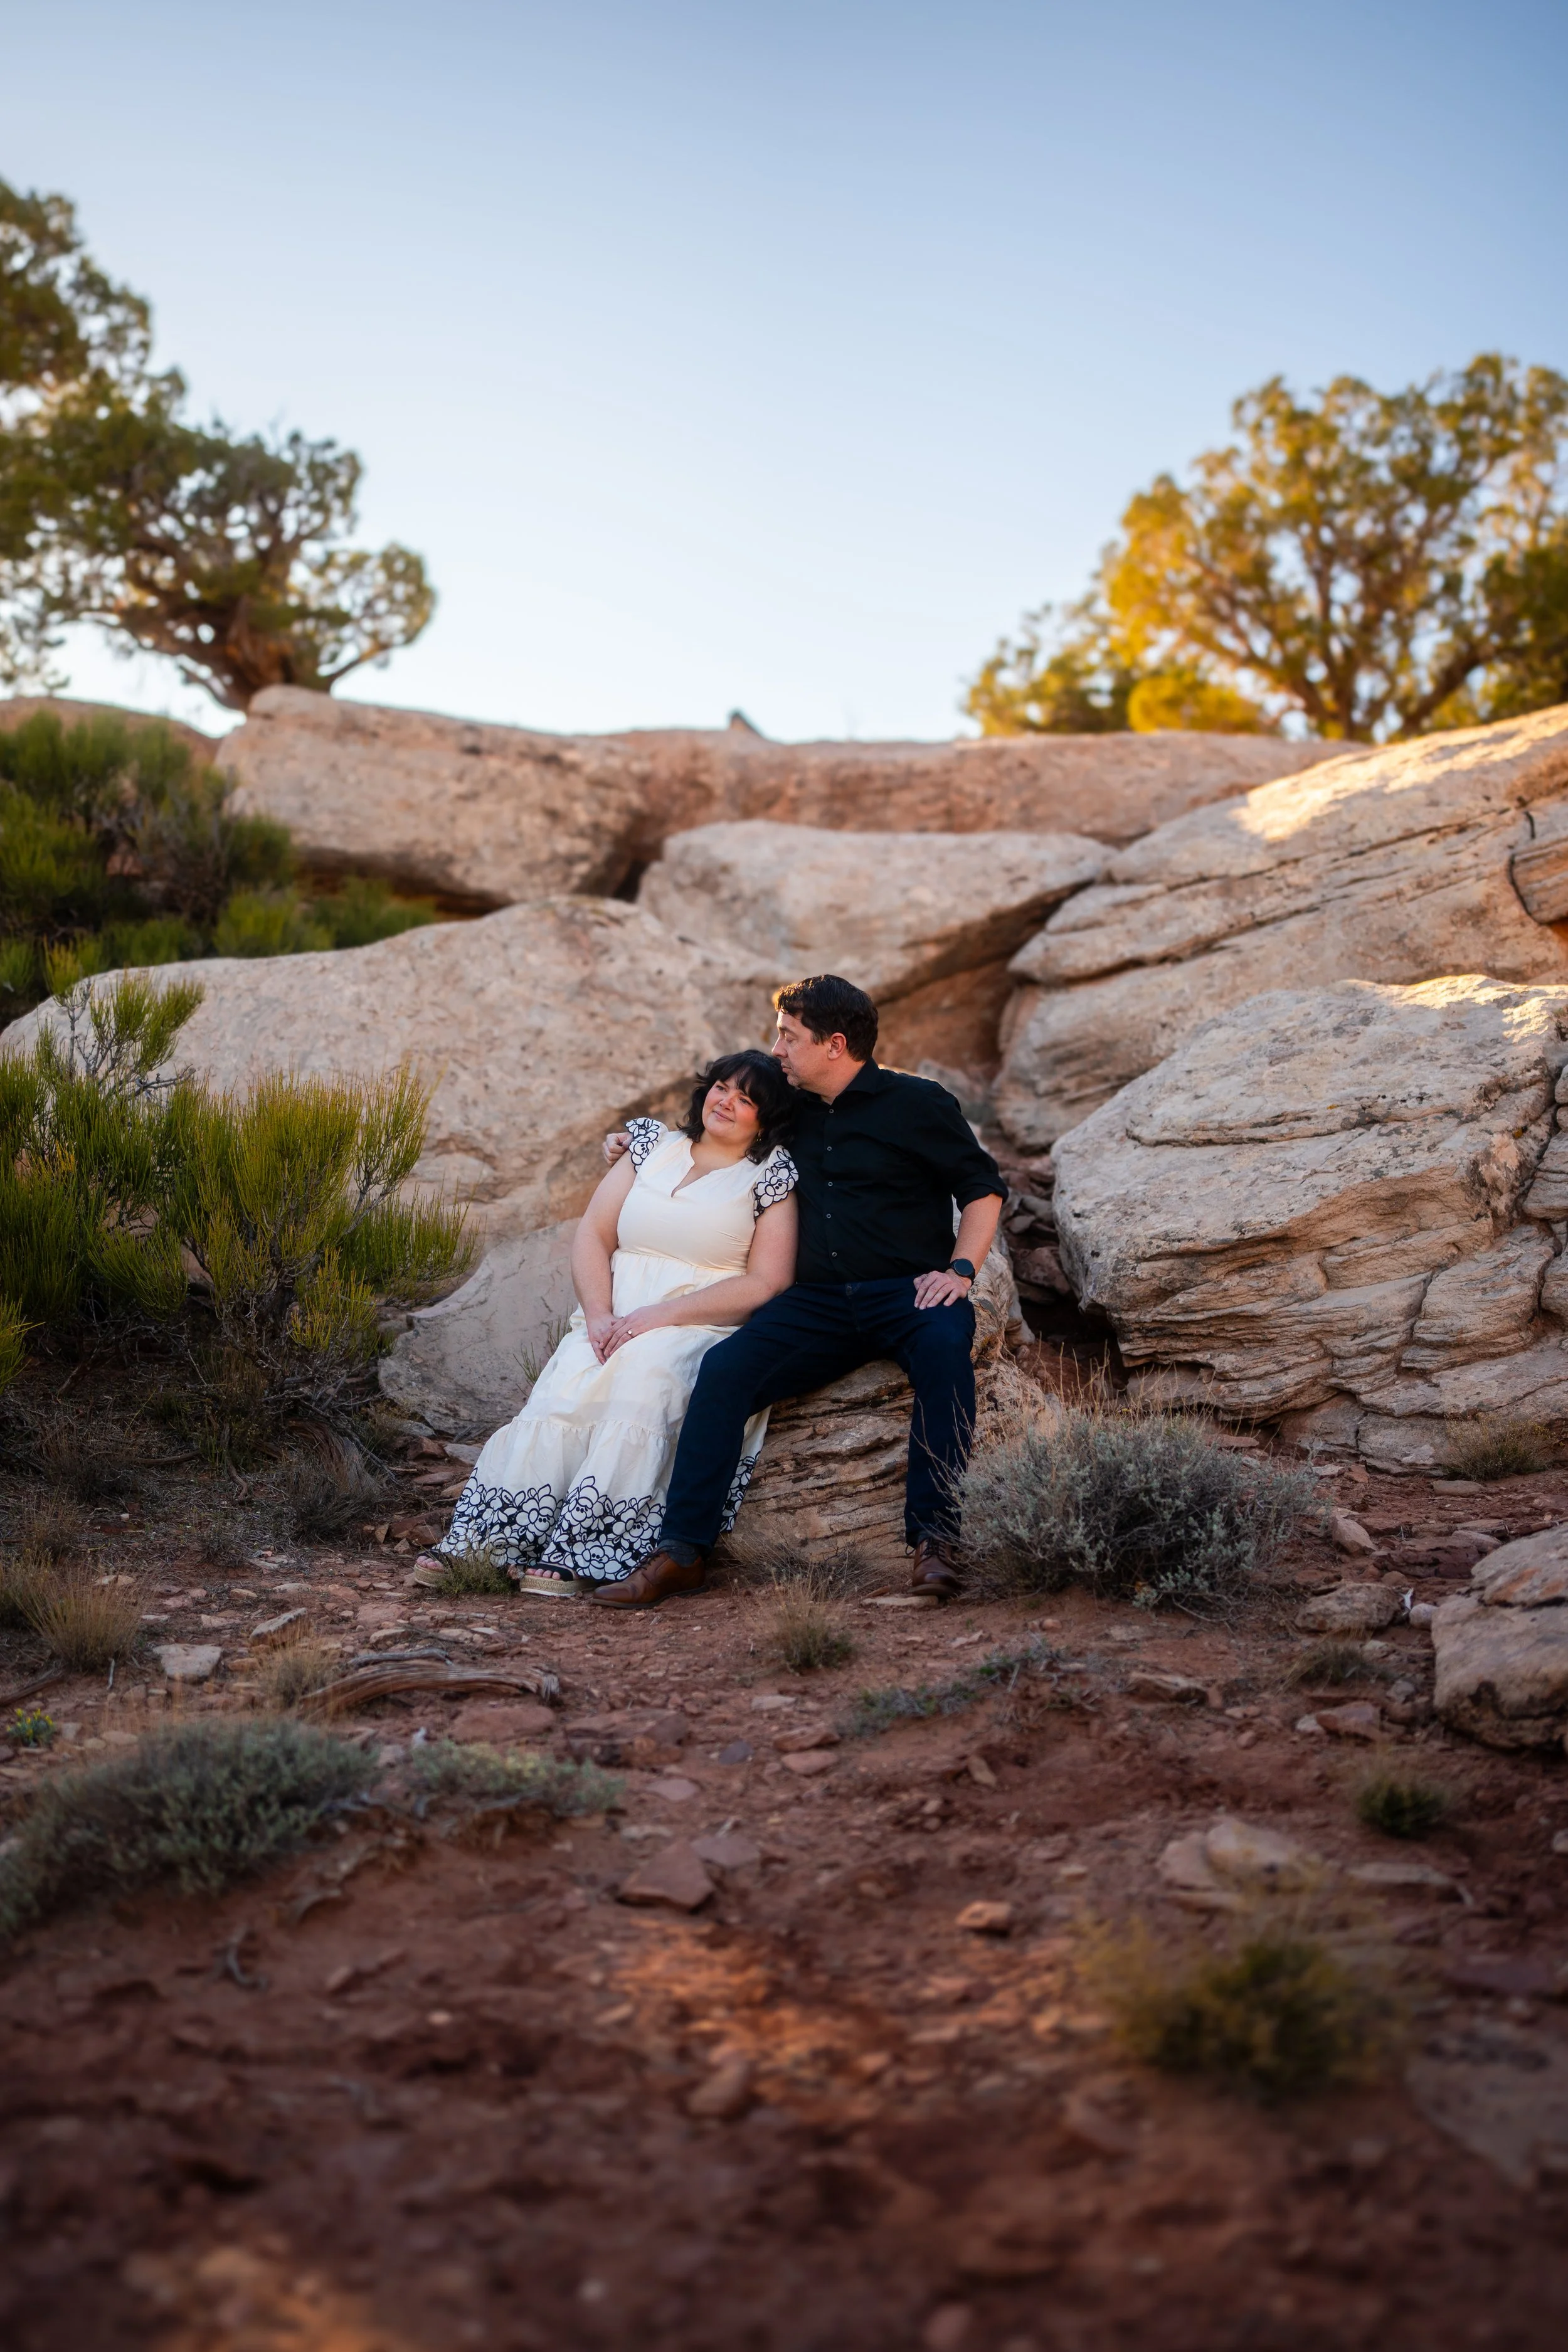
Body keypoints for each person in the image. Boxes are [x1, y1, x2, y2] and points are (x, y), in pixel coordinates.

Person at [592, 973, 1005, 1611]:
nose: (777, 1049)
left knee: (947, 1354)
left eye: (788, 1036)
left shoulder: (920, 1104)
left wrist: (959, 1271)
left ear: (834, 1044)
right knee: (725, 1371)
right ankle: (682, 1552)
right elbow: (715, 1134)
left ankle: (935, 1543)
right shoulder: (787, 1108)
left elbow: (981, 1190)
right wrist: (635, 1145)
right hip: (814, 1303)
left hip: (906, 1294)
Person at [424, 1051, 799, 1596]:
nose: (727, 1103)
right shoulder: (649, 1146)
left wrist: (658, 1316)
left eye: (746, 1101)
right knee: (561, 1393)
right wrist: (599, 1315)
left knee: (643, 1383)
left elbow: (766, 1282)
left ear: (764, 1119)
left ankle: (589, 1549)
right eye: (723, 1088)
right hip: (613, 1314)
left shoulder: (770, 1176)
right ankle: (488, 1542)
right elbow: (594, 1235)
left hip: (698, 1323)